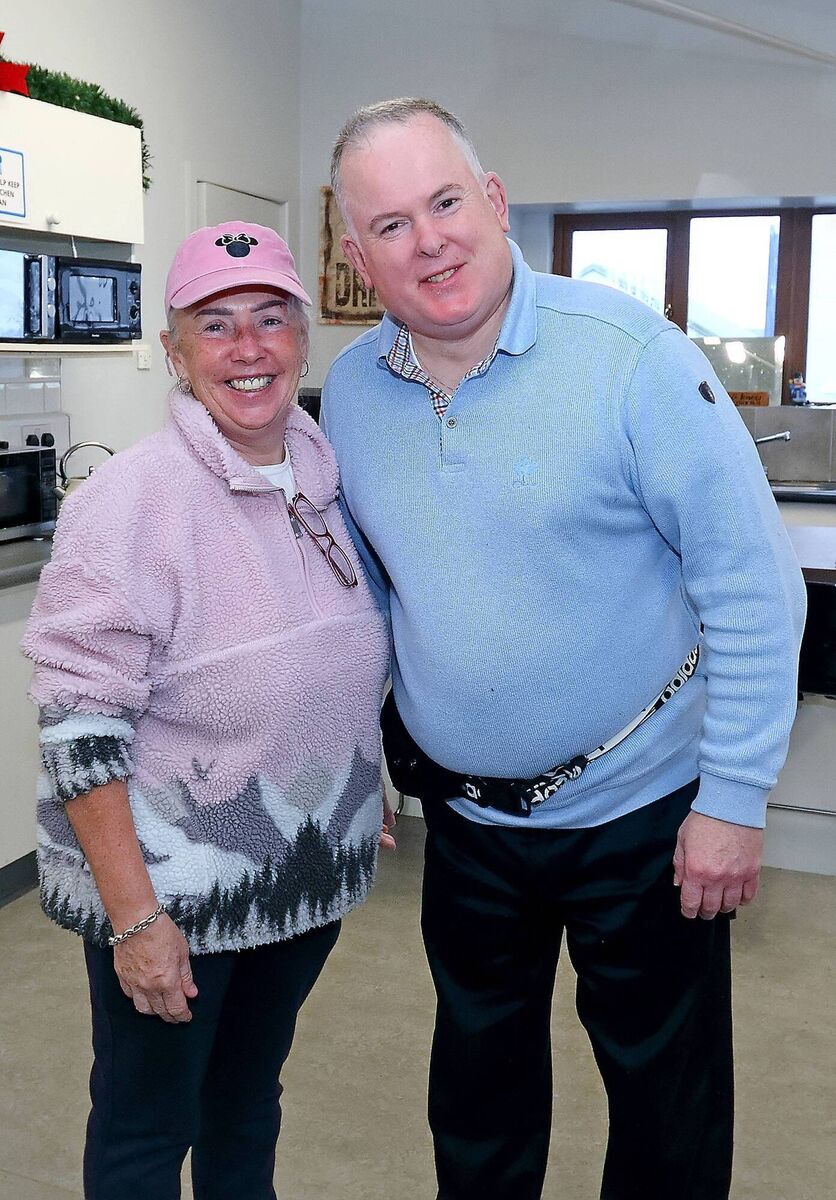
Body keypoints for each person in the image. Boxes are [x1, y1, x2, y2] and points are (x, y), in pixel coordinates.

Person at [321, 99, 806, 1200]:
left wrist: (731, 800)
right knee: (477, 1103)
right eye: (389, 225)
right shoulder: (351, 392)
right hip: (469, 823)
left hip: (644, 818)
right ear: (357, 258)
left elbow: (751, 588)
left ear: (491, 204)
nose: (427, 240)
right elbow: (368, 599)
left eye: (444, 202)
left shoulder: (629, 356)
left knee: (662, 1110)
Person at [22, 221, 391, 1200]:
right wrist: (135, 918)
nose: (247, 349)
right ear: (175, 351)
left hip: (300, 876)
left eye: (269, 319)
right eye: (215, 325)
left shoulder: (323, 469)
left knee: (246, 1099)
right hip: (172, 896)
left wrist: (362, 777)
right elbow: (77, 729)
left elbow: (330, 651)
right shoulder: (133, 502)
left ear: (302, 336)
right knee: (149, 1128)